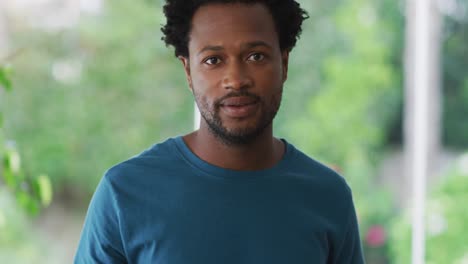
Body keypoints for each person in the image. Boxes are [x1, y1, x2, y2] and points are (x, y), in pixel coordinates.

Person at [74, 0, 365, 263]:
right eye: (213, 60)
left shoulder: (328, 197)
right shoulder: (124, 194)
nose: (236, 80)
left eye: (256, 56)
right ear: (188, 71)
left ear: (284, 63)